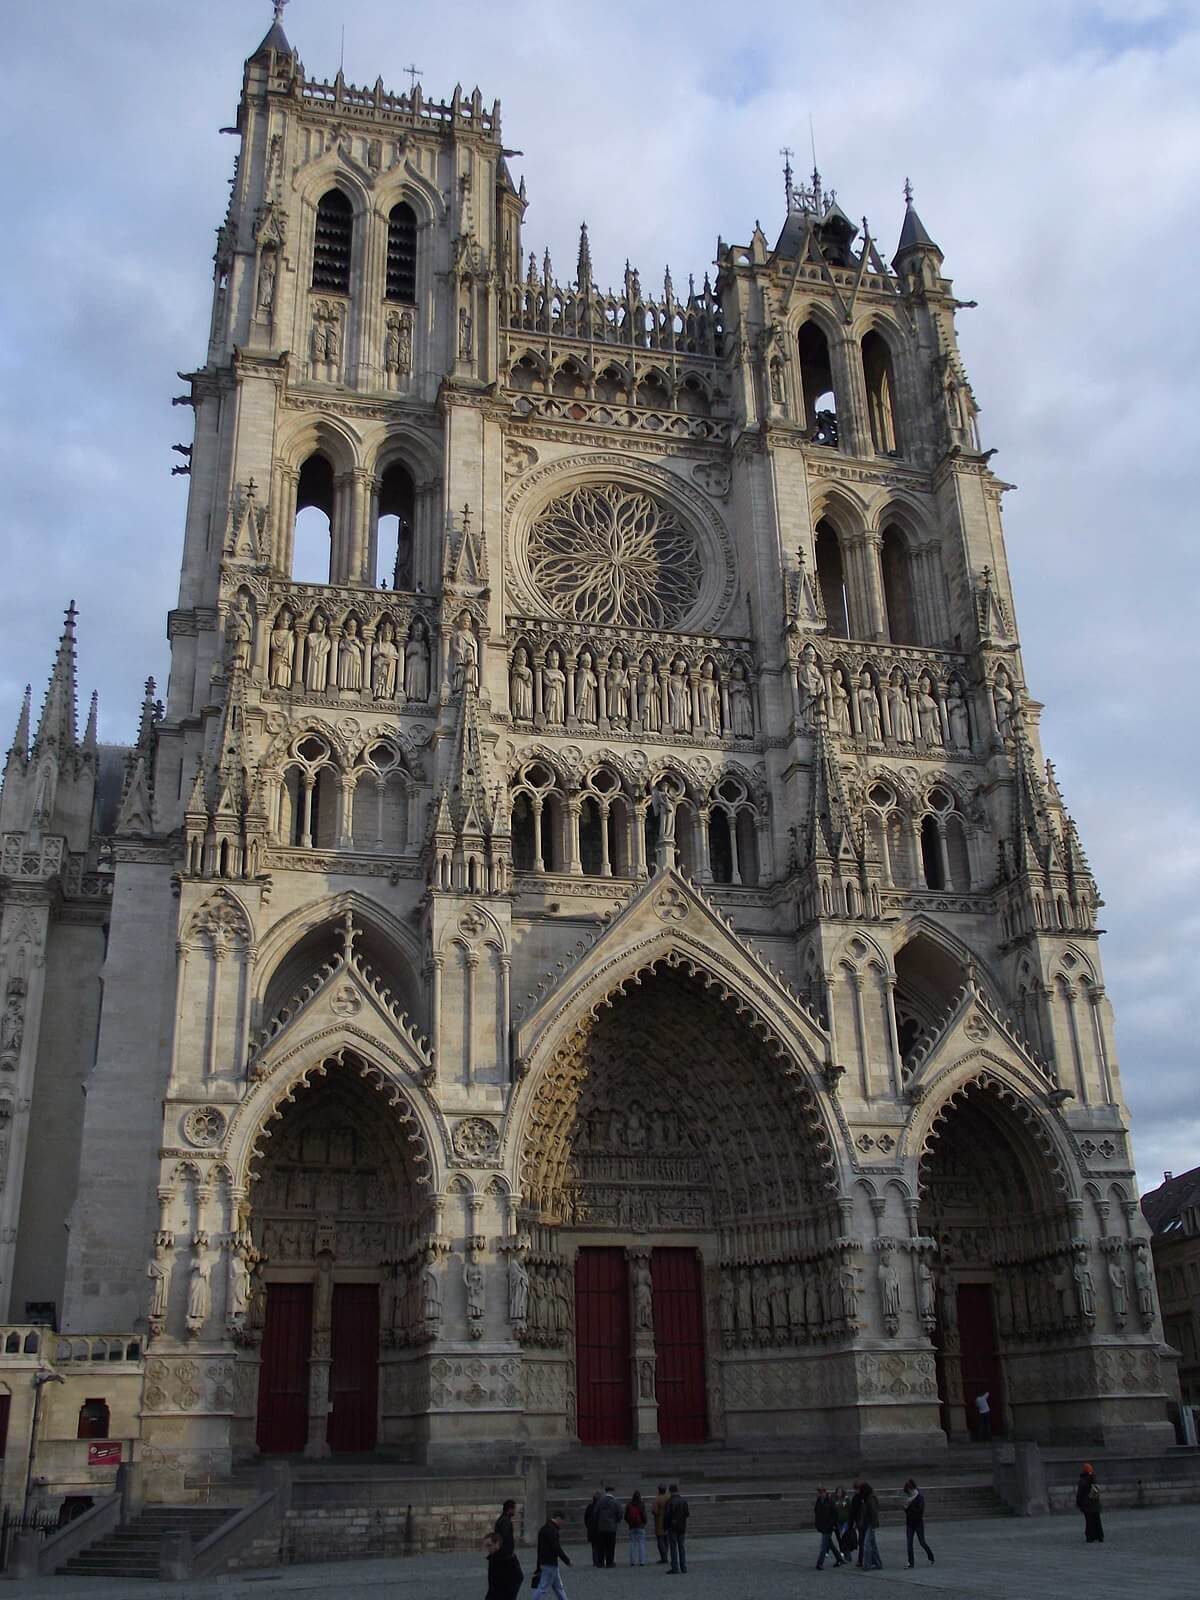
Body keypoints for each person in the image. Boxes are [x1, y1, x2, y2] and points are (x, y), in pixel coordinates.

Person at [532, 1514, 572, 1599]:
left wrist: (538, 1565)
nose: (562, 1524)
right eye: (562, 1522)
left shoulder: (544, 1529)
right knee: (544, 1588)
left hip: (545, 1561)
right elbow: (556, 1548)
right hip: (550, 1563)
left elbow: (539, 1549)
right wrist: (567, 1560)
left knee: (558, 1587)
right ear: (558, 1519)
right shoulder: (552, 1531)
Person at [484, 1528, 524, 1600]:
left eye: (489, 1545)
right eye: (486, 1546)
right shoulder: (494, 1557)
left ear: (497, 1543)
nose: (488, 1549)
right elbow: (493, 1583)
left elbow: (518, 1577)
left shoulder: (507, 1557)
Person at [903, 1479, 934, 1567]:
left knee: (922, 1542)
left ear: (911, 1489)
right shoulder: (908, 1499)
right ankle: (911, 1562)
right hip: (909, 1523)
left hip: (918, 1523)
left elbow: (919, 1512)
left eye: (908, 1491)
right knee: (909, 1543)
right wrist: (906, 1508)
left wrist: (908, 1507)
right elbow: (908, 1512)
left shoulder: (919, 1498)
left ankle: (931, 1556)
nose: (908, 1494)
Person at [813, 1486, 844, 1569]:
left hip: (828, 1526)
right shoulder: (819, 1500)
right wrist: (817, 1524)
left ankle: (819, 1563)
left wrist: (832, 1524)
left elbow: (835, 1514)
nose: (820, 1494)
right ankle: (839, 1559)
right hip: (822, 1526)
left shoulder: (830, 1501)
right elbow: (816, 1511)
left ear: (825, 1492)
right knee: (830, 1544)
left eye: (821, 1492)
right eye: (819, 1492)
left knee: (824, 1545)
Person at [664, 1482, 689, 1574]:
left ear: (670, 1491)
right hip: (681, 1526)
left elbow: (666, 1516)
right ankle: (684, 1567)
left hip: (672, 1527)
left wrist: (665, 1527)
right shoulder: (683, 1501)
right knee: (681, 1547)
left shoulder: (669, 1501)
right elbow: (687, 1514)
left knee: (673, 1548)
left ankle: (675, 1567)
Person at [1075, 1463, 1103, 1543]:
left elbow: (1080, 1494)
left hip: (1087, 1505)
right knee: (1097, 1520)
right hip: (1095, 1504)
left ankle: (1090, 1537)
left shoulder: (1083, 1480)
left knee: (1089, 1521)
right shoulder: (1094, 1479)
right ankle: (1100, 1536)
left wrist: (1079, 1504)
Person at [594, 1485, 620, 1568]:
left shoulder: (600, 1501)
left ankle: (600, 1562)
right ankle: (609, 1562)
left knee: (601, 1546)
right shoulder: (615, 1501)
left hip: (601, 1527)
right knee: (610, 1546)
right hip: (611, 1527)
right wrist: (616, 1521)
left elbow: (595, 1513)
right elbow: (620, 1513)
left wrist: (598, 1522)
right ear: (612, 1492)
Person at [858, 1481, 882, 1570]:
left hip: (870, 1524)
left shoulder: (870, 1499)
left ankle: (867, 1564)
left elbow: (873, 1512)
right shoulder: (868, 1498)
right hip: (869, 1523)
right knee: (872, 1545)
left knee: (867, 1545)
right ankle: (878, 1563)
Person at [625, 1489, 647, 1565]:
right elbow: (644, 1515)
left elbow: (626, 1516)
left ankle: (632, 1561)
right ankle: (642, 1561)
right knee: (641, 1543)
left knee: (632, 1544)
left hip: (632, 1526)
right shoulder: (641, 1504)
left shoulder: (629, 1504)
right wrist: (644, 1522)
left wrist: (629, 1522)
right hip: (640, 1526)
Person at [846, 1483, 864, 1565]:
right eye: (855, 1489)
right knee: (861, 1541)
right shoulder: (855, 1498)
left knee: (863, 1541)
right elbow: (852, 1512)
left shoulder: (862, 1497)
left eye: (857, 1489)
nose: (856, 1490)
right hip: (859, 1522)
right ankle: (861, 1560)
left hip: (862, 1522)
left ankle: (862, 1559)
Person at [653, 1483, 670, 1564]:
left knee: (660, 1540)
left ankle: (664, 1557)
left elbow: (655, 1511)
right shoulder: (668, 1498)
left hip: (659, 1522)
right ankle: (666, 1555)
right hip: (668, 1521)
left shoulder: (657, 1499)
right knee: (666, 1540)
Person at [583, 1490, 602, 1566]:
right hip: (599, 1529)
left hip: (592, 1530)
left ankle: (595, 1561)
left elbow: (586, 1518)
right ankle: (599, 1561)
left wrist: (588, 1526)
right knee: (600, 1546)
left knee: (594, 1547)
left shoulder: (590, 1507)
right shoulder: (600, 1507)